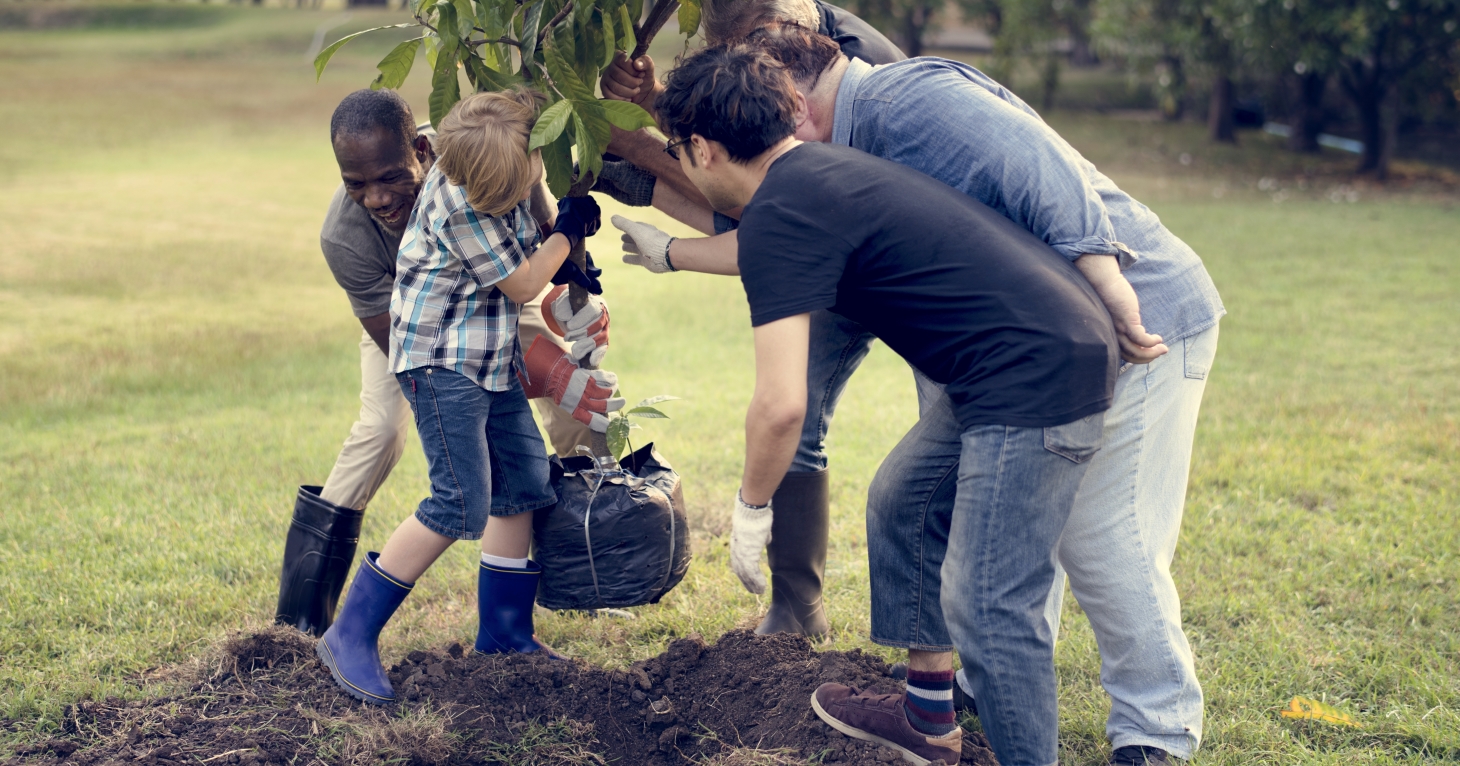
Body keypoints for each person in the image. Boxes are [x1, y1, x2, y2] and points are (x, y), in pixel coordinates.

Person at [620, 27, 1226, 764]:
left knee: (990, 603)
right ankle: (929, 716)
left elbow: (781, 405)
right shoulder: (819, 170)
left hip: (1036, 373)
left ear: (705, 152)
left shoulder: (848, 155)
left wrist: (750, 512)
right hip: (1023, 353)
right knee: (902, 501)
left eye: (680, 151)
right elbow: (763, 246)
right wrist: (670, 253)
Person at [598, 0, 907, 640]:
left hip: (905, 268)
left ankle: (933, 649)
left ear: (784, 40)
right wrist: (657, 106)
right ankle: (797, 610)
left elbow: (771, 206)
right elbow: (746, 167)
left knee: (912, 469)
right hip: (843, 252)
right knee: (807, 420)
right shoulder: (788, 42)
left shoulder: (849, 77)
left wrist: (642, 155)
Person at [317, 88, 618, 705]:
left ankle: (504, 634)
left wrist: (561, 232)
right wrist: (564, 233)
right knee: (460, 502)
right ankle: (348, 634)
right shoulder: (464, 204)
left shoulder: (483, 159)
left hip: (486, 358)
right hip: (439, 366)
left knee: (525, 482)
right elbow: (522, 282)